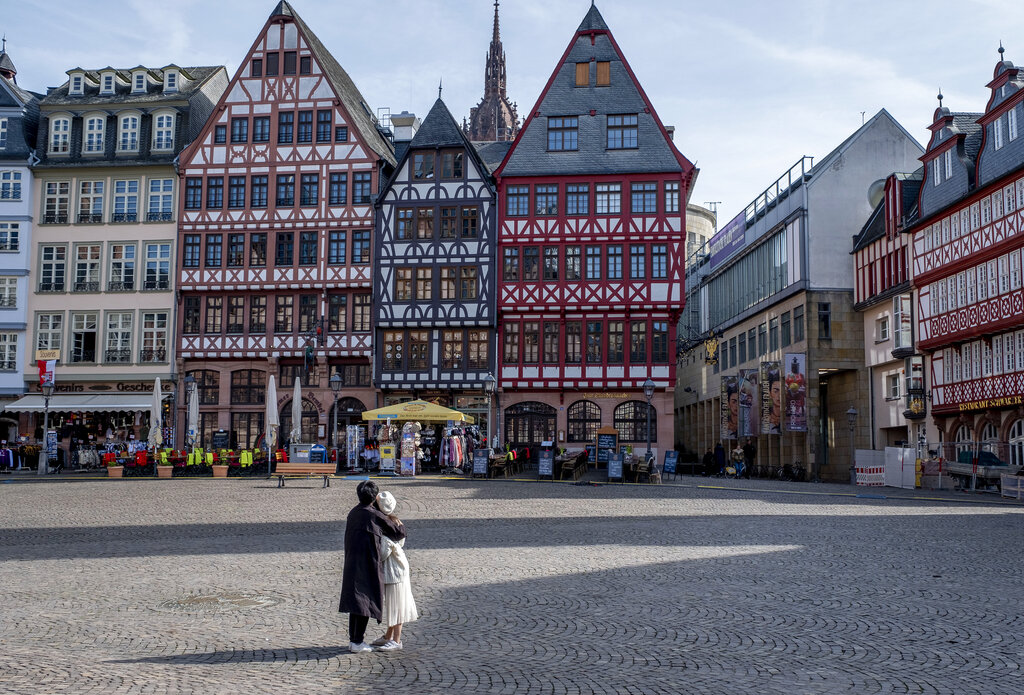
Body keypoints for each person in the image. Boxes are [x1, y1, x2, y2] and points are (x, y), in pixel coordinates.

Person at [339, 480, 406, 653]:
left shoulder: (353, 512)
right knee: (364, 601)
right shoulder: (373, 515)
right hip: (367, 563)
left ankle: (354, 640)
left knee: (356, 602)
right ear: (375, 498)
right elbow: (399, 532)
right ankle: (358, 641)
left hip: (352, 561)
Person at [371, 491, 418, 651]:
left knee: (397, 605)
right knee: (394, 605)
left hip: (394, 572)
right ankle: (387, 636)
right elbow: (402, 542)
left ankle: (396, 640)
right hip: (399, 568)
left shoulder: (384, 527)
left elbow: (383, 554)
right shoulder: (395, 521)